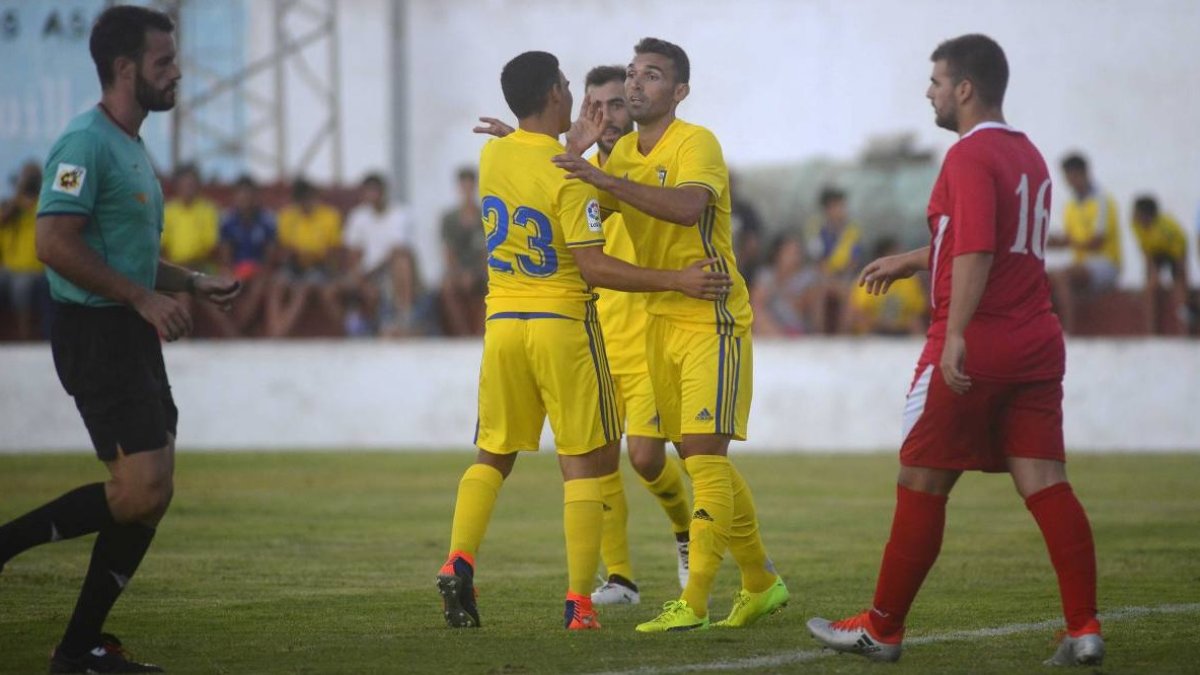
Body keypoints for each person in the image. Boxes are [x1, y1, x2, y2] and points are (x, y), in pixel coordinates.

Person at [806, 34, 1103, 667]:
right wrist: (916, 260)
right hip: (1036, 340)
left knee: (920, 480)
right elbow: (988, 240)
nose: (930, 91)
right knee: (1046, 481)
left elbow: (975, 250)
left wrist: (958, 332)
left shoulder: (967, 158)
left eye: (937, 81)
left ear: (964, 89)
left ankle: (881, 628)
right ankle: (1084, 626)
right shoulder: (1030, 156)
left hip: (978, 339)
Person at [436, 50, 730, 633]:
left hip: (500, 327)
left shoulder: (493, 154)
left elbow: (540, 164)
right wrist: (676, 278)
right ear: (553, 96)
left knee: (492, 454)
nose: (578, 98)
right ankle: (580, 603)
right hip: (562, 325)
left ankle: (457, 558)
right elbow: (593, 266)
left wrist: (563, 148)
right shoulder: (569, 172)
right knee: (588, 464)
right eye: (570, 88)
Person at [0, 6, 240, 673]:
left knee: (153, 489)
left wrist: (190, 281)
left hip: (129, 330)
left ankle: (80, 650)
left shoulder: (131, 146)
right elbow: (53, 242)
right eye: (165, 62)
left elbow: (130, 258)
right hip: (96, 330)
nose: (178, 72)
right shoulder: (84, 141)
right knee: (140, 489)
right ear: (125, 68)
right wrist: (140, 296)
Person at [552, 37, 788, 633]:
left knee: (705, 458)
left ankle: (696, 600)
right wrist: (561, 155)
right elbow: (584, 221)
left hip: (710, 313)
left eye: (651, 76)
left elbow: (686, 209)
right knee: (701, 460)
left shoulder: (696, 142)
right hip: (659, 319)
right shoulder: (621, 153)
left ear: (678, 92)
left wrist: (602, 178)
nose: (635, 84)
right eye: (632, 73)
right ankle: (761, 582)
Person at [1046, 153, 1121, 333]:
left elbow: (1097, 242)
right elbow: (1069, 238)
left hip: (1106, 263)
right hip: (1082, 265)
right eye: (1067, 177)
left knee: (1062, 276)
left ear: (1084, 173)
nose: (1070, 181)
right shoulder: (1071, 205)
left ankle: (1069, 330)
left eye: (1073, 175)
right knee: (1043, 278)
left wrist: (1065, 242)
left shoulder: (1102, 200)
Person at [161, 163, 236, 337]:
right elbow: (162, 247)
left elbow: (212, 247)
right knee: (183, 288)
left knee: (209, 288)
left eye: (192, 184)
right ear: (177, 186)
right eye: (185, 184)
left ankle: (234, 338)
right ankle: (184, 341)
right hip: (174, 266)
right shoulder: (168, 211)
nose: (189, 188)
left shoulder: (208, 209)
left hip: (203, 266)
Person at [341, 173, 420, 336]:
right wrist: (361, 280)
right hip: (366, 273)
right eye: (368, 192)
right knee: (350, 279)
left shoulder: (400, 214)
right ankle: (358, 326)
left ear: (384, 192)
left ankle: (404, 316)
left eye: (375, 191)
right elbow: (352, 254)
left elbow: (399, 250)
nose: (372, 196)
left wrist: (374, 271)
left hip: (389, 269)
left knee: (401, 263)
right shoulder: (358, 217)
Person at [267, 177, 343, 337]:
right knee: (277, 285)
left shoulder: (330, 216)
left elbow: (333, 251)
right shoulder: (287, 216)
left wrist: (311, 254)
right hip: (294, 265)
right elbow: (284, 249)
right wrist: (298, 253)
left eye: (309, 197)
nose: (306, 202)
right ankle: (274, 328)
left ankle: (280, 332)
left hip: (320, 266)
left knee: (303, 288)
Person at [218, 175, 278, 335]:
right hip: (236, 269)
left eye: (249, 196)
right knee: (221, 282)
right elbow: (225, 256)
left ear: (256, 197)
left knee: (261, 283)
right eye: (242, 196)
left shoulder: (267, 220)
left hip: (259, 271)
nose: (246, 200)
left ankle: (238, 330)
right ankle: (231, 331)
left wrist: (254, 272)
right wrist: (234, 273)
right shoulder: (228, 220)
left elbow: (270, 257)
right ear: (235, 197)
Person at [0, 161, 52, 340]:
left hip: (34, 269)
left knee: (21, 287)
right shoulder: (11, 206)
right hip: (8, 269)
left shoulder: (44, 204)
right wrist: (18, 195)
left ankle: (25, 340)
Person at [807, 186, 865, 334]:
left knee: (848, 292)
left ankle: (842, 335)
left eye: (842, 206)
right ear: (827, 209)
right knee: (820, 291)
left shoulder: (853, 231)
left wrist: (839, 280)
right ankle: (818, 333)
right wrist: (829, 279)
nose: (841, 210)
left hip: (846, 278)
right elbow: (817, 260)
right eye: (837, 206)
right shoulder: (816, 230)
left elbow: (854, 262)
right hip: (822, 277)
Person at [1130, 195, 1191, 334]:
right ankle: (1151, 330)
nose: (1135, 217)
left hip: (1174, 252)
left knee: (1179, 289)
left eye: (1138, 215)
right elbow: (1146, 252)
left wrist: (1179, 279)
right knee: (1151, 287)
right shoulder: (1136, 225)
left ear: (1148, 216)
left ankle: (1184, 329)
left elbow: (1180, 260)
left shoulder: (1168, 229)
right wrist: (1151, 277)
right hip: (1156, 252)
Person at [844, 237, 928, 336]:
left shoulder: (910, 281)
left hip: (901, 332)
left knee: (916, 324)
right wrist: (882, 323)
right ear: (882, 258)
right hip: (872, 334)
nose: (900, 260)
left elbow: (917, 313)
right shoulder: (868, 280)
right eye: (895, 255)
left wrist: (899, 325)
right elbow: (857, 314)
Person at [439, 167, 487, 336]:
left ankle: (481, 333)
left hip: (480, 271)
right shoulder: (449, 218)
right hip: (458, 271)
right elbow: (448, 251)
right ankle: (463, 334)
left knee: (491, 284)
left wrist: (475, 273)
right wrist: (459, 273)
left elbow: (486, 252)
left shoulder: (485, 215)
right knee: (448, 287)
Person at [750, 232, 823, 337]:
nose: (794, 257)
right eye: (789, 252)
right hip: (771, 327)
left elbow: (806, 306)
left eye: (797, 252)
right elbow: (756, 302)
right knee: (756, 312)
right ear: (778, 254)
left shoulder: (807, 277)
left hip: (797, 327)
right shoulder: (767, 274)